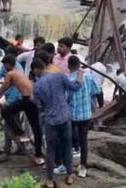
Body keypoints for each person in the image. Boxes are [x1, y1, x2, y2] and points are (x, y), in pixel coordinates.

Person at [0, 55, 44, 164]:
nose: (3, 68)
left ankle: (20, 133)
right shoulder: (19, 72)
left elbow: (0, 92)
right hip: (32, 100)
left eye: (4, 65)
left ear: (8, 64)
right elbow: (4, 90)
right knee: (36, 128)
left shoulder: (10, 74)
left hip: (26, 100)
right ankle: (38, 155)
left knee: (5, 111)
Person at [34, 57, 83, 186]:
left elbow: (39, 105)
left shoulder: (37, 85)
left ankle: (50, 180)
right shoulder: (60, 77)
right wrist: (80, 74)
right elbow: (76, 87)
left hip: (50, 120)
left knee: (50, 150)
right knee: (67, 147)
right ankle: (70, 175)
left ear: (37, 70)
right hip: (64, 117)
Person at [68, 55, 99, 179]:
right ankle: (83, 167)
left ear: (69, 66)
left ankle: (68, 165)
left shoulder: (69, 79)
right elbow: (96, 90)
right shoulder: (88, 76)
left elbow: (66, 98)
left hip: (73, 115)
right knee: (83, 141)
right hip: (86, 114)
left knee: (69, 139)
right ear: (79, 65)